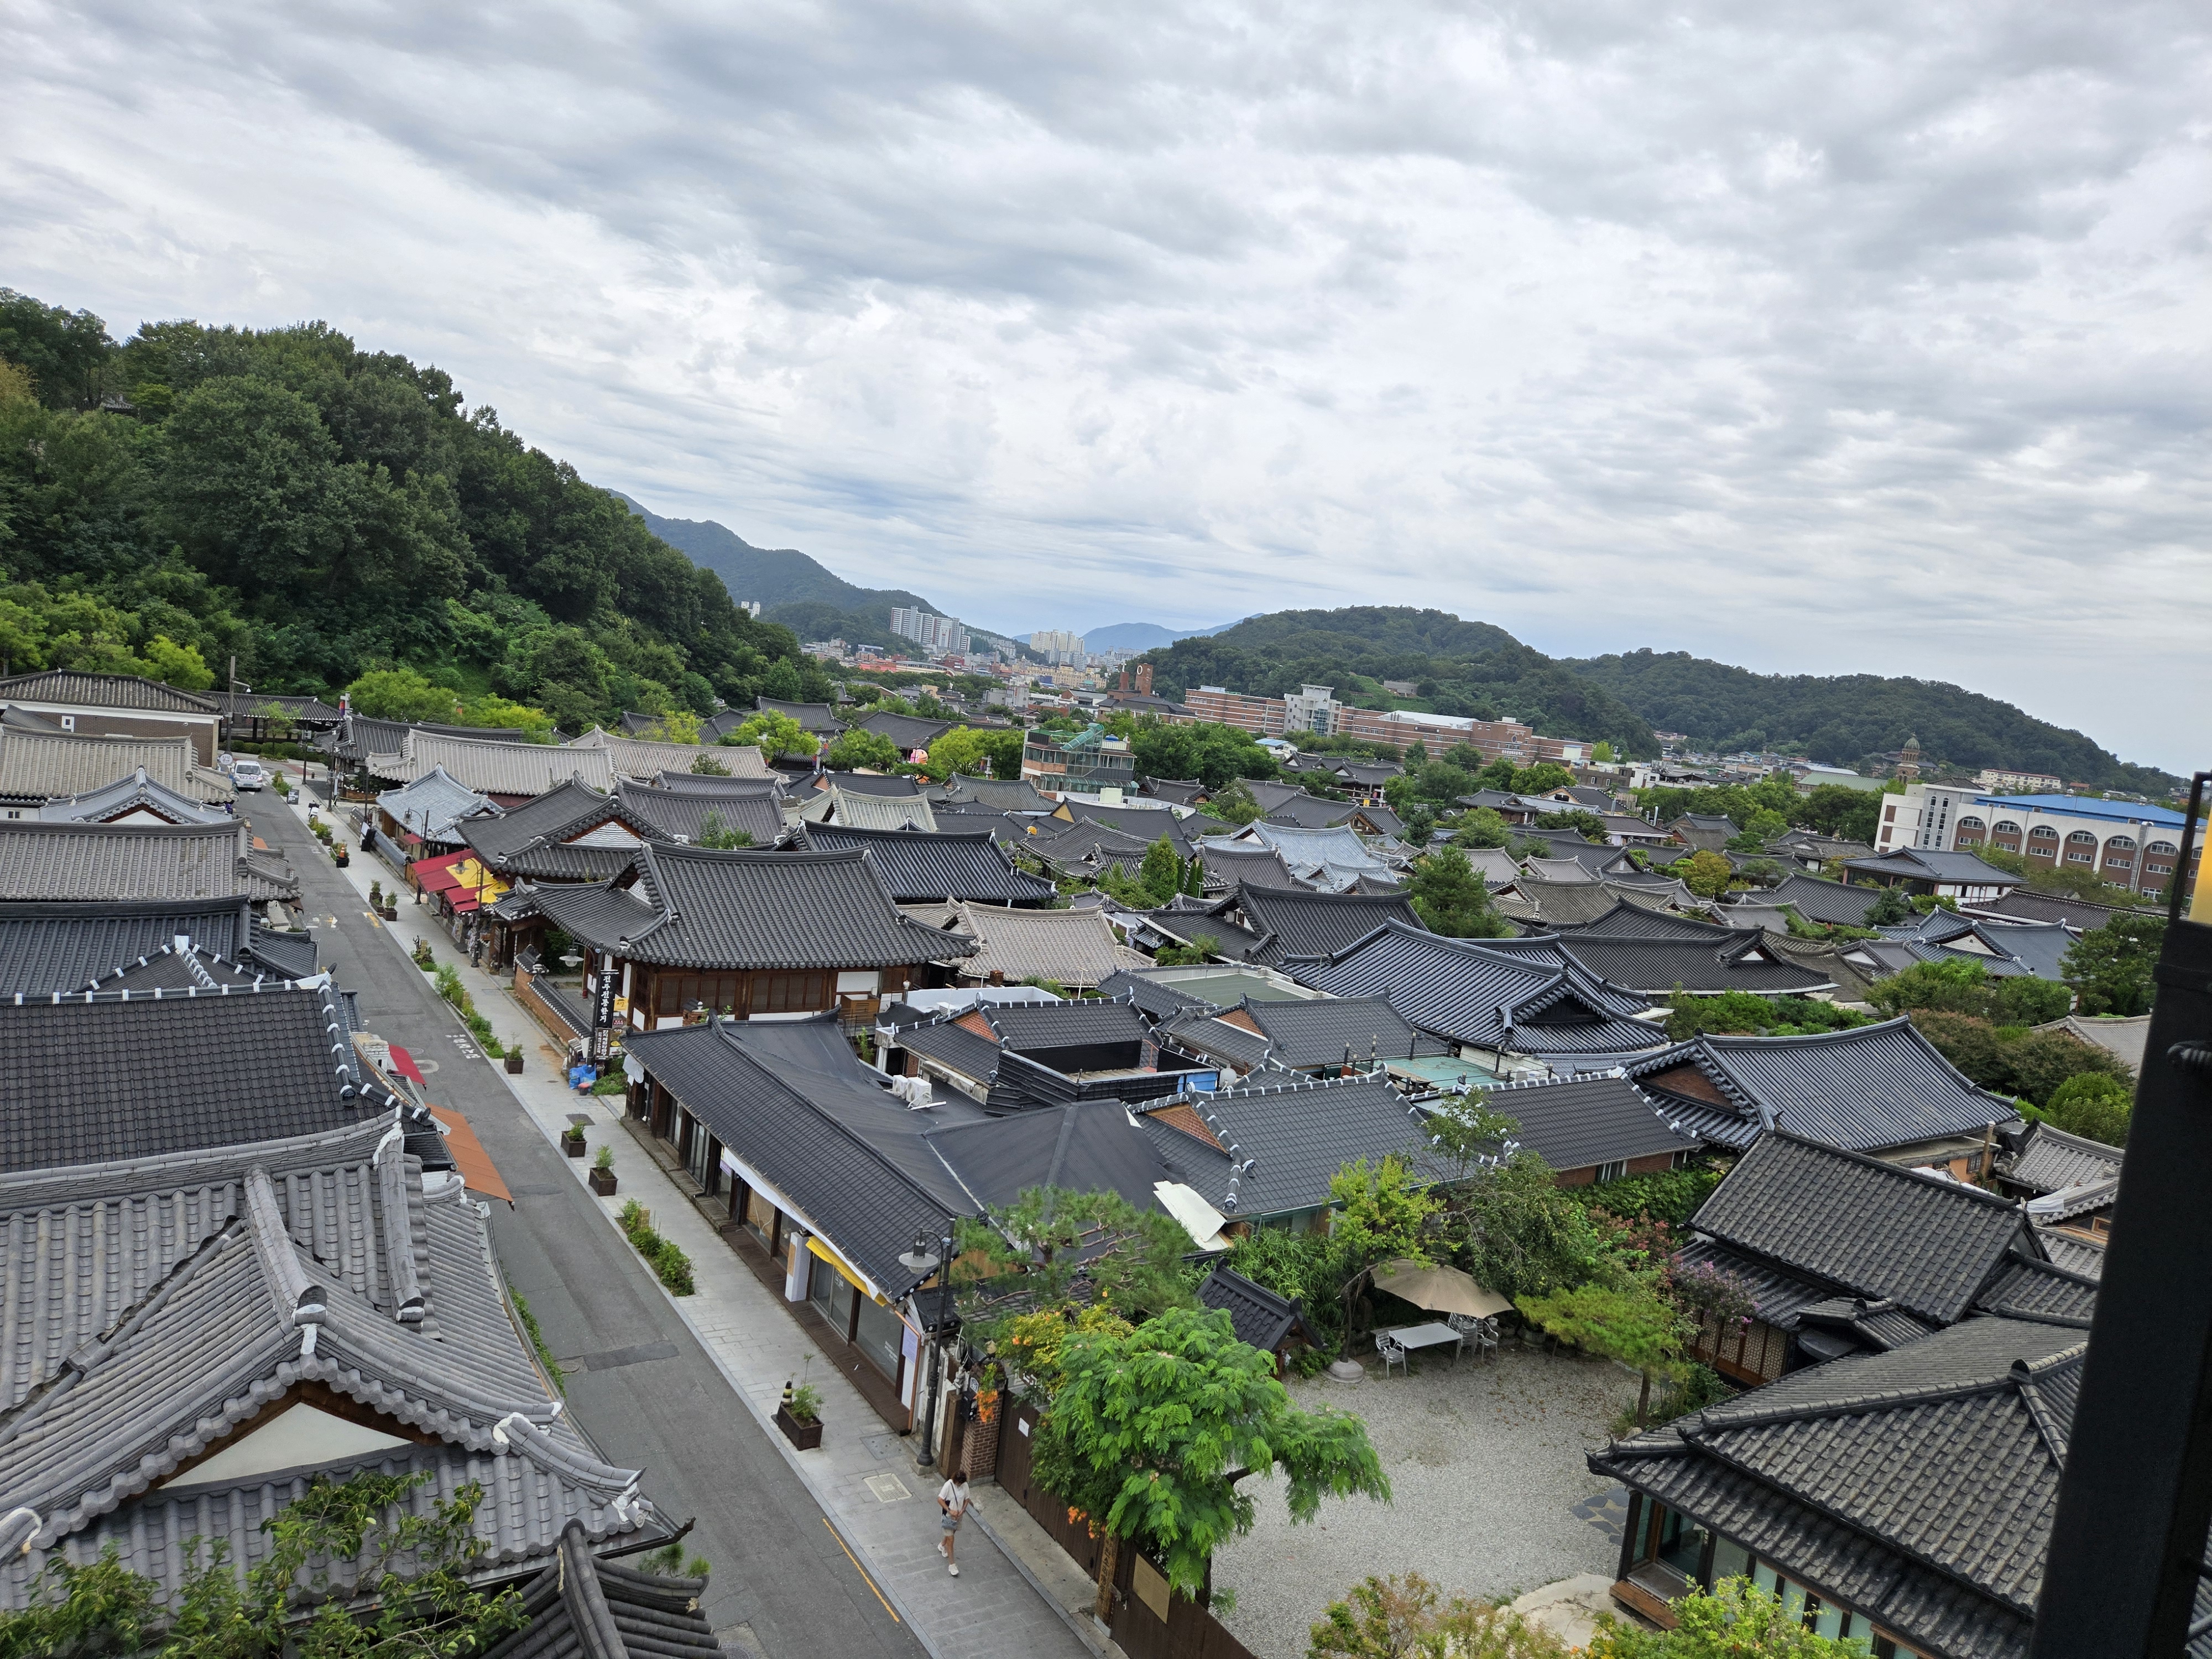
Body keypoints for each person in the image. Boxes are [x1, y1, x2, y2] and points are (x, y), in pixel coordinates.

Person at [936, 1468, 971, 1577]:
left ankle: (942, 1545)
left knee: (952, 1534)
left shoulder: (965, 1486)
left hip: (958, 1516)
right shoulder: (948, 1485)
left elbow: (967, 1499)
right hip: (948, 1516)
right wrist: (950, 1510)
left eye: (961, 1483)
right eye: (958, 1483)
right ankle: (952, 1565)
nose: (960, 1485)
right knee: (951, 1540)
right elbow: (940, 1499)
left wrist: (963, 1510)